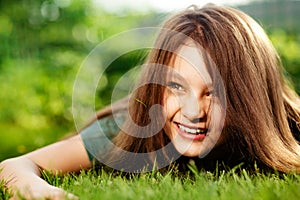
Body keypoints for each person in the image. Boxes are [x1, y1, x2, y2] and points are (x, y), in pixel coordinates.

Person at [1, 3, 300, 199]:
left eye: (213, 93)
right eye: (176, 87)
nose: (193, 111)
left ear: (250, 98)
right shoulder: (125, 130)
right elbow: (15, 165)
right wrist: (44, 193)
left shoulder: (285, 121)